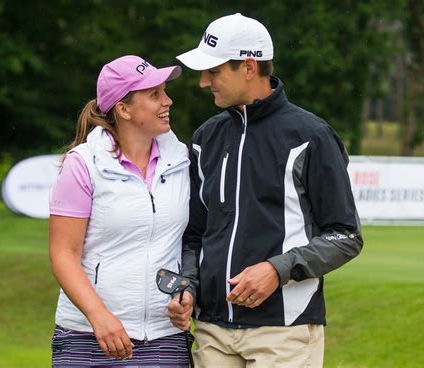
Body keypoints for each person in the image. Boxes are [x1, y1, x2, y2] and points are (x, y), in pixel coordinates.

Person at [167, 13, 363, 367]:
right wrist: (188, 284)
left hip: (283, 330)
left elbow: (345, 236)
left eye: (213, 72)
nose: (202, 82)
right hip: (212, 328)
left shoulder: (311, 136)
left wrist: (277, 269)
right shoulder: (205, 138)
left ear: (248, 67)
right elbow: (194, 235)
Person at [49, 55, 192, 367]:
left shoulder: (183, 160)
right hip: (87, 334)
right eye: (154, 94)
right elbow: (63, 253)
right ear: (123, 109)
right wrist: (98, 315)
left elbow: (190, 243)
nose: (167, 101)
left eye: (165, 91)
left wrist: (187, 294)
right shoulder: (83, 164)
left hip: (163, 337)